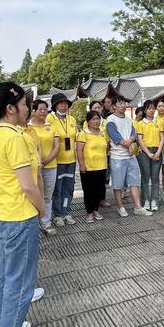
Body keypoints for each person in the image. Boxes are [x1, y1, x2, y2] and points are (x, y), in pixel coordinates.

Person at [0, 82, 45, 327]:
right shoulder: (16, 137)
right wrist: (42, 208)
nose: (28, 108)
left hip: (3, 212)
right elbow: (28, 185)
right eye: (24, 104)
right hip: (20, 215)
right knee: (21, 279)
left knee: (7, 275)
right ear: (10, 108)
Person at [106, 95, 148, 217]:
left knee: (135, 182)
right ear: (114, 106)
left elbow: (134, 134)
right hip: (118, 157)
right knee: (118, 184)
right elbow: (116, 138)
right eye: (120, 103)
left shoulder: (129, 120)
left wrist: (130, 141)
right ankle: (120, 207)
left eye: (124, 103)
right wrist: (129, 143)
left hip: (130, 156)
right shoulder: (110, 120)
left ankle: (137, 207)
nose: (123, 105)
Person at [47, 93, 77, 227]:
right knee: (57, 189)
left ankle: (65, 211)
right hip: (57, 161)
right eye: (61, 103)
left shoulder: (72, 119)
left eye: (66, 103)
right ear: (55, 105)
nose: (64, 105)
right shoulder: (49, 118)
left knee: (68, 188)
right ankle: (57, 214)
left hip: (71, 160)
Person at [30, 99, 60, 235]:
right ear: (34, 110)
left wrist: (45, 162)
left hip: (50, 166)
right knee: (34, 195)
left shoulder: (52, 126)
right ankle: (34, 222)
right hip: (32, 168)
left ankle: (46, 222)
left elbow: (57, 147)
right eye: (40, 109)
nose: (43, 112)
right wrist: (37, 164)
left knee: (48, 195)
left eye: (45, 109)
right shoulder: (28, 127)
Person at [76, 111, 109, 223]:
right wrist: (81, 165)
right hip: (88, 168)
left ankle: (95, 209)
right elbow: (79, 150)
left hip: (102, 166)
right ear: (88, 121)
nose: (96, 121)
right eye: (93, 119)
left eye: (98, 119)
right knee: (89, 191)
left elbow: (107, 147)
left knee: (99, 190)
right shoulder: (83, 134)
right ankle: (89, 212)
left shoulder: (103, 133)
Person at [136, 100, 164, 211]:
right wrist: (149, 153)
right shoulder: (140, 123)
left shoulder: (159, 122)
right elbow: (140, 140)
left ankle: (154, 200)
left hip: (157, 151)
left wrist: (157, 153)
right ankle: (146, 201)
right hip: (144, 153)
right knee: (145, 177)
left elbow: (162, 138)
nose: (151, 110)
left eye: (153, 108)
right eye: (149, 108)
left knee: (155, 178)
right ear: (145, 110)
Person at [155, 99, 164, 202]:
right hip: (157, 146)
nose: (161, 108)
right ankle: (156, 191)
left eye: (163, 106)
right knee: (155, 171)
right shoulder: (154, 119)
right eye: (159, 106)